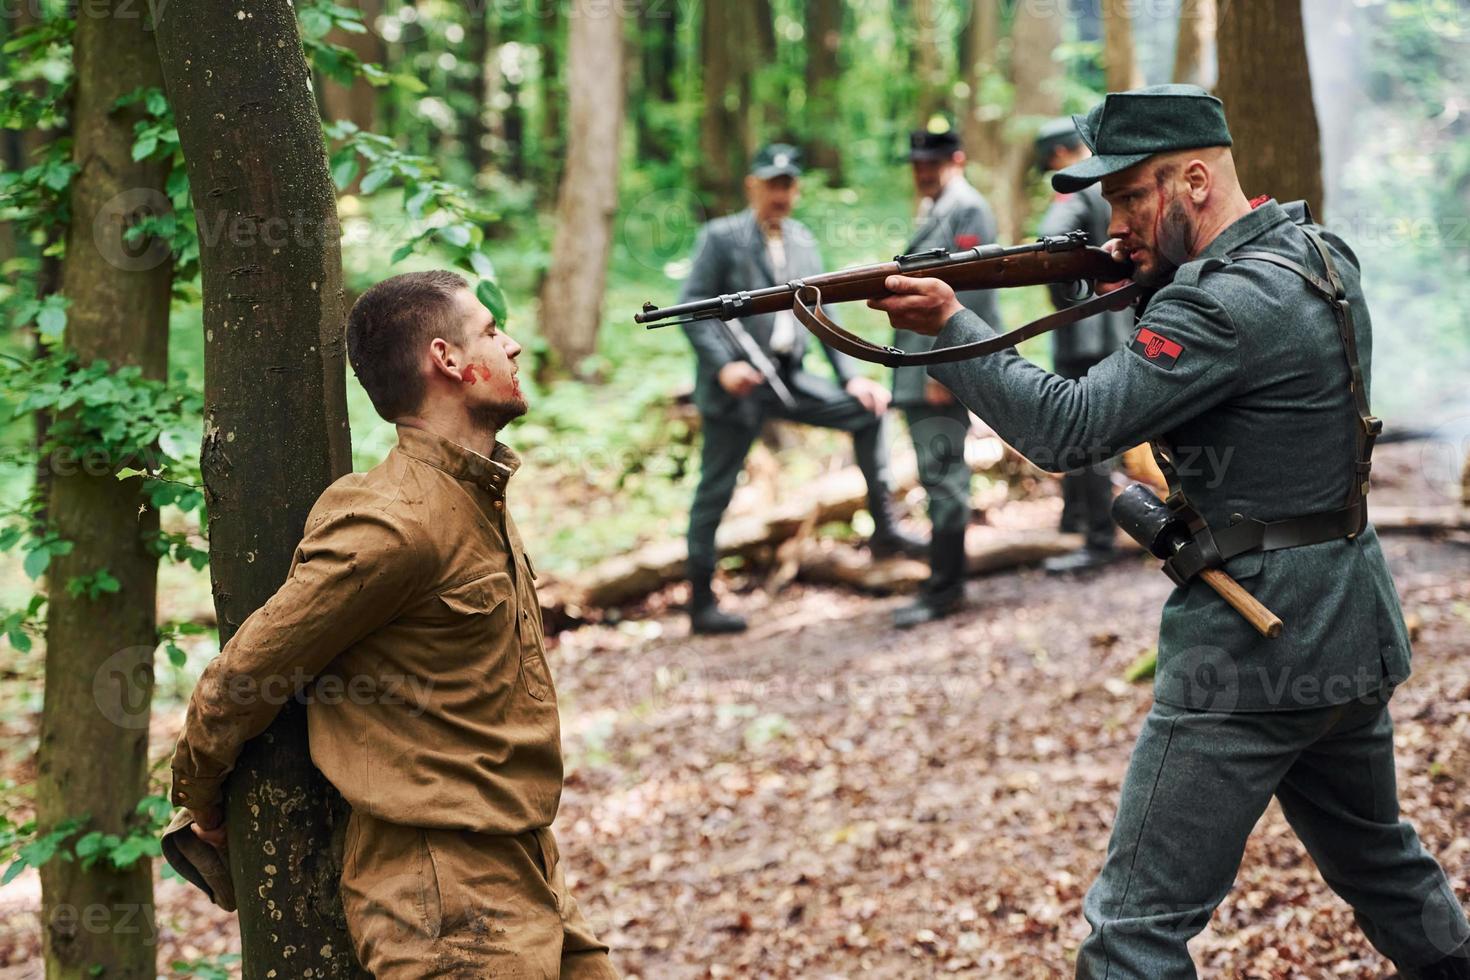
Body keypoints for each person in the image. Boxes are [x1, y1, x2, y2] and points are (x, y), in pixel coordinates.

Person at [869, 85, 1470, 979]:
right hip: (1346, 621)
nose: (1114, 223)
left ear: (1194, 180)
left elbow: (1067, 430)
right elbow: (1230, 386)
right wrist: (1147, 286)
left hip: (1252, 648)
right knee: (1384, 868)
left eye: (1128, 197)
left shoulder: (1216, 305)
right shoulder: (1317, 254)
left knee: (1130, 937)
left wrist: (952, 327)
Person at [167, 271, 618, 978]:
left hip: (525, 865)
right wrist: (201, 801)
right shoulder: (392, 521)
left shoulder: (475, 492)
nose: (516, 346)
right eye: (493, 334)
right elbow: (245, 674)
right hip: (445, 900)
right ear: (446, 359)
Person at [679, 143, 923, 635]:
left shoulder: (803, 241)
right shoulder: (720, 237)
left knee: (868, 411)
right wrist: (725, 367)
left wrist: (851, 376)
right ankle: (702, 602)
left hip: (788, 377)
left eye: (788, 184)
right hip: (737, 387)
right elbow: (691, 309)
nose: (781, 193)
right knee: (715, 491)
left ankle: (887, 531)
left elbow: (822, 312)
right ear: (753, 185)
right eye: (772, 183)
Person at [890, 128, 1003, 628]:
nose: (922, 172)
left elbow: (972, 290)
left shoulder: (967, 208)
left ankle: (946, 588)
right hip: (922, 366)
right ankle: (944, 582)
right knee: (938, 475)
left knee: (945, 478)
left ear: (954, 161)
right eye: (917, 164)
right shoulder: (935, 208)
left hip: (937, 368)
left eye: (931, 163)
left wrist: (950, 365)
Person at [1033, 118, 1135, 574]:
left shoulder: (1076, 193)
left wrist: (1065, 299)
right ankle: (1076, 520)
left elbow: (1048, 245)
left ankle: (1097, 540)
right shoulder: (1111, 190)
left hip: (1083, 335)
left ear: (1060, 154)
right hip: (1112, 332)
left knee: (1086, 438)